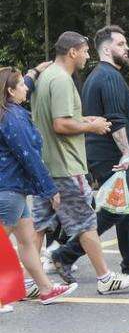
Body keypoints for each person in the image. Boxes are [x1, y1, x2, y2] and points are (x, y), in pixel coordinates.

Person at [32, 31, 129, 294]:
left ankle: (34, 281)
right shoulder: (60, 80)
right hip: (65, 165)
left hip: (46, 164)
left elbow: (62, 117)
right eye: (84, 51)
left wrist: (90, 120)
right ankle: (105, 277)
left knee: (39, 226)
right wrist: (92, 128)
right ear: (72, 52)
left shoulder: (46, 77)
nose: (87, 56)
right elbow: (61, 123)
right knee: (87, 222)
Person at [52, 26, 129, 280]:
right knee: (114, 209)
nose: (127, 48)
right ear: (107, 48)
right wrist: (126, 155)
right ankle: (64, 254)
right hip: (111, 155)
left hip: (104, 152)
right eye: (121, 44)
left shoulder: (98, 75)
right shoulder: (109, 77)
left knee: (128, 207)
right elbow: (115, 120)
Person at [0, 66, 76, 304]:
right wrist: (49, 188)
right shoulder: (13, 117)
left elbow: (26, 84)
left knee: (26, 241)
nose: (26, 88)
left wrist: (33, 72)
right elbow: (28, 155)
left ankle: (45, 289)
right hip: (9, 189)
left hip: (15, 188)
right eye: (21, 84)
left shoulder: (8, 110)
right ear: (11, 91)